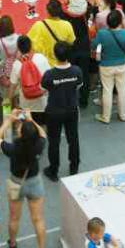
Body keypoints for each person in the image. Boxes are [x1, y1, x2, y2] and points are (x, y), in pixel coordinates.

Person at [0, 111, 49, 248]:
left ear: (21, 134)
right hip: (34, 182)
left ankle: (13, 244)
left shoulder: (13, 148)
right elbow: (43, 133)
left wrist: (8, 120)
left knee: (14, 218)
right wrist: (31, 120)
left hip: (16, 183)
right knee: (38, 219)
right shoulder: (38, 144)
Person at [42, 42, 84, 182]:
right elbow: (78, 86)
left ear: (55, 55)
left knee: (54, 141)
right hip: (71, 109)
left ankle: (53, 171)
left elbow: (43, 89)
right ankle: (74, 167)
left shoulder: (49, 75)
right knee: (73, 139)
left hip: (54, 111)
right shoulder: (77, 71)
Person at [91, 9, 125, 123]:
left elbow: (93, 45)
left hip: (106, 65)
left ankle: (106, 117)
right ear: (120, 21)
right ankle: (122, 115)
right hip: (122, 64)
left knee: (107, 91)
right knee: (122, 90)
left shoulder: (102, 33)